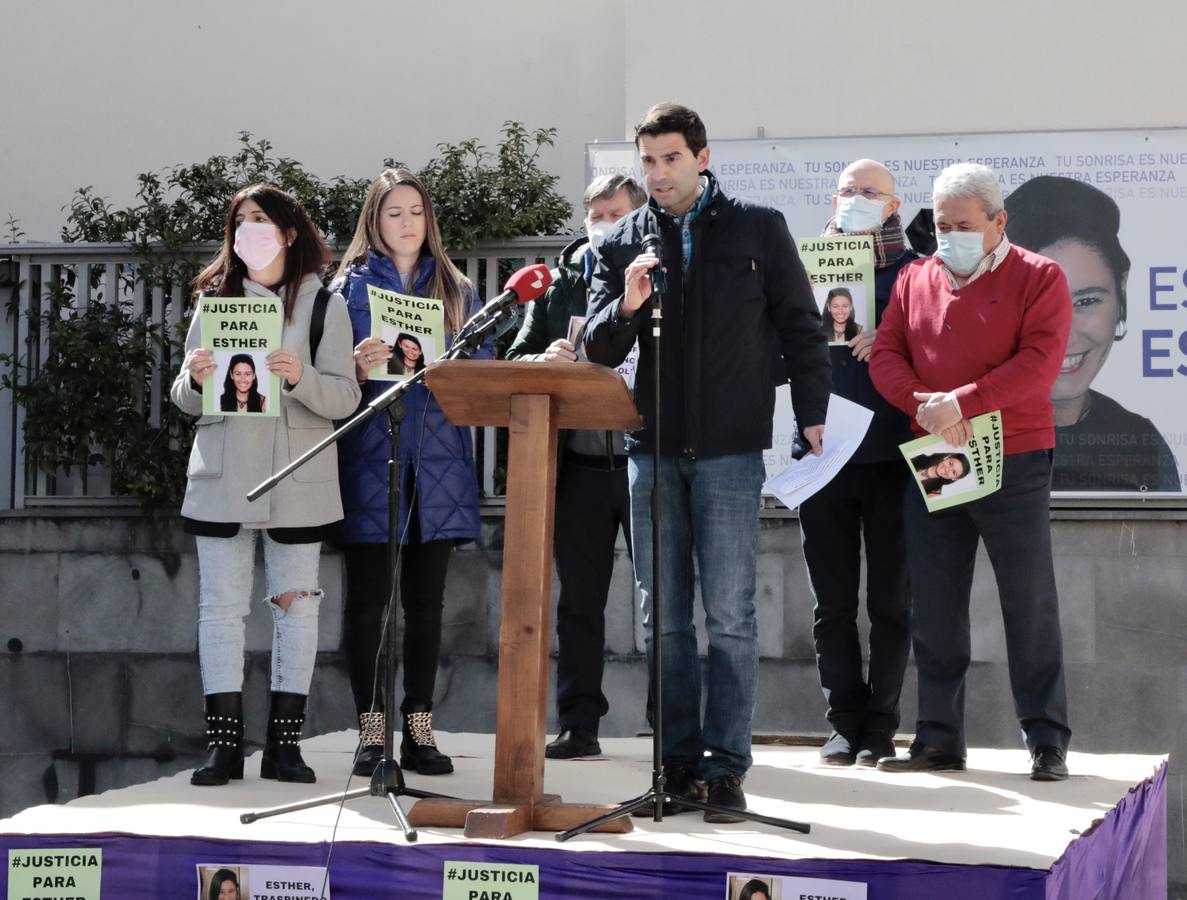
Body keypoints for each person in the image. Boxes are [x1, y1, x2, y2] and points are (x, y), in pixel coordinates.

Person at [585, 103, 831, 821]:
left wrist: (812, 412)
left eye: (670, 159)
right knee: (660, 621)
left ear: (701, 156)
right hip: (651, 451)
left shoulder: (758, 227)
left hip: (728, 451)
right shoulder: (621, 242)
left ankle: (726, 771)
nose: (658, 175)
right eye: (648, 162)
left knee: (729, 617)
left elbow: (800, 326)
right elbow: (598, 348)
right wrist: (626, 305)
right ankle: (675, 765)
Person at [869, 162, 1073, 781]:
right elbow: (885, 354)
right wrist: (925, 408)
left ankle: (1045, 737)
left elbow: (1037, 366)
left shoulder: (1041, 276)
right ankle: (937, 736)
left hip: (1014, 454)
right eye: (941, 223)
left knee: (1027, 599)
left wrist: (961, 403)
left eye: (964, 224)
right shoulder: (915, 278)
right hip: (935, 453)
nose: (949, 234)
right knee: (934, 599)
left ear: (999, 221)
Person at [172, 184, 360, 787]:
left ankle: (285, 745)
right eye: (239, 221)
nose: (248, 230)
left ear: (289, 231)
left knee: (295, 610)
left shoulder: (325, 303)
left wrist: (300, 374)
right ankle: (222, 746)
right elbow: (180, 395)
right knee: (220, 612)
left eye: (261, 219)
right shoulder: (213, 303)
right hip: (224, 474)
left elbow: (345, 397)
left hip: (296, 475)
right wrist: (196, 377)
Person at [333, 167, 491, 777]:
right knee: (367, 603)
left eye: (416, 212)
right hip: (371, 454)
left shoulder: (453, 285)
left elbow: (483, 366)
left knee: (428, 603)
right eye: (394, 212)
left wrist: (447, 358)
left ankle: (419, 727)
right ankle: (372, 731)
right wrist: (353, 364)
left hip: (440, 461)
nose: (407, 223)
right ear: (373, 220)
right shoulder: (345, 288)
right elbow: (324, 377)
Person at [505, 173, 647, 759]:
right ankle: (579, 725)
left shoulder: (658, 277)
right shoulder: (557, 286)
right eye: (594, 215)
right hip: (580, 467)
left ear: (638, 221)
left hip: (647, 462)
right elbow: (514, 356)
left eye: (615, 214)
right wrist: (542, 357)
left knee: (661, 601)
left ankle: (672, 730)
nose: (603, 225)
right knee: (579, 603)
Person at [798, 159, 916, 768]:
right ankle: (843, 722)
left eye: (870, 193)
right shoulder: (806, 266)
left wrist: (892, 344)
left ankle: (881, 725)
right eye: (848, 191)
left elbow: (940, 349)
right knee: (833, 603)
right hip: (824, 459)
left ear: (894, 205)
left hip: (895, 456)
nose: (857, 201)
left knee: (892, 602)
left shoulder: (917, 272)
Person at [1005, 175, 1180, 493]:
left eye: (1086, 301)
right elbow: (938, 531)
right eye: (1037, 305)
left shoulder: (1142, 443)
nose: (1064, 335)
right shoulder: (958, 422)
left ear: (1121, 295)